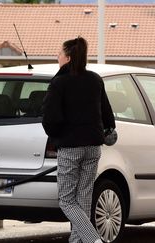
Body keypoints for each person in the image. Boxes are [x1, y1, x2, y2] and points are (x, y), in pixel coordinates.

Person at [42, 37, 116, 243]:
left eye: (58, 54)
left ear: (67, 57)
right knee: (82, 200)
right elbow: (107, 114)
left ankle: (94, 240)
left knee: (66, 201)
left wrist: (57, 136)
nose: (57, 58)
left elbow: (50, 118)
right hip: (93, 147)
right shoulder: (95, 79)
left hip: (70, 147)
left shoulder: (59, 83)